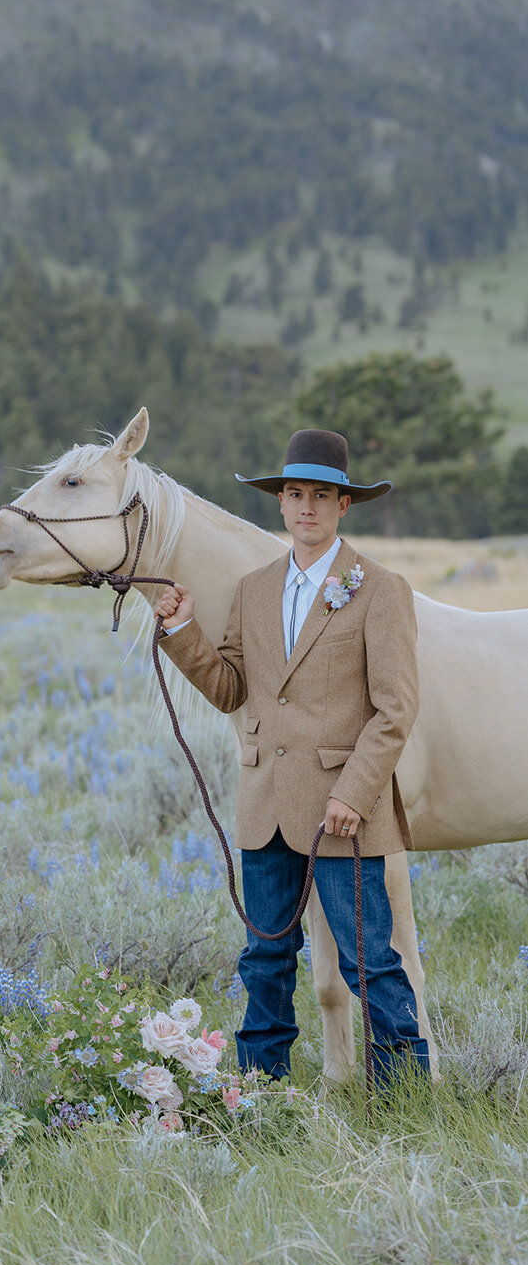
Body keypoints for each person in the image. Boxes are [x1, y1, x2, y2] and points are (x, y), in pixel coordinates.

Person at [155, 429, 429, 1089]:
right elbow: (230, 690)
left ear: (343, 506)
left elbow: (395, 710)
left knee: (369, 961)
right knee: (264, 958)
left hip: (340, 810)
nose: (305, 507)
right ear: (279, 503)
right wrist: (179, 631)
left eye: (321, 495)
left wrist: (352, 794)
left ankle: (406, 1095)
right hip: (265, 804)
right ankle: (259, 1089)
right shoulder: (253, 590)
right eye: (293, 494)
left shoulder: (378, 588)